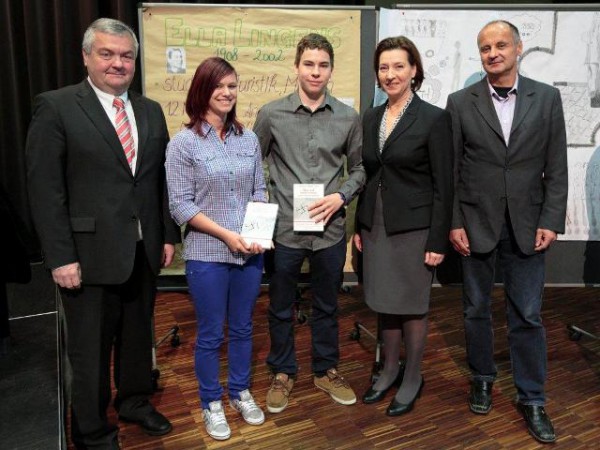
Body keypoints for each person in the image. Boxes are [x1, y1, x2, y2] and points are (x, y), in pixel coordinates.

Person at [26, 18, 180, 449]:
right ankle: (92, 431)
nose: (118, 63)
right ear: (86, 57)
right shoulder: (56, 107)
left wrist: (166, 234)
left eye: (126, 55)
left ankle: (134, 402)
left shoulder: (148, 110)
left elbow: (157, 182)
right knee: (89, 351)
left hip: (142, 249)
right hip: (86, 256)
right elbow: (44, 190)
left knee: (136, 337)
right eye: (107, 54)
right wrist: (59, 257)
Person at [446, 20, 567, 444]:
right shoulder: (460, 103)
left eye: (500, 45)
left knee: (528, 315)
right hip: (476, 224)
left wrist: (551, 219)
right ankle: (482, 376)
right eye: (484, 48)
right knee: (475, 309)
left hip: (528, 225)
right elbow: (453, 170)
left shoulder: (547, 98)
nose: (492, 53)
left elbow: (557, 166)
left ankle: (532, 397)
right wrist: (455, 221)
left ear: (518, 48)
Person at [254, 33, 366, 413]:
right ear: (296, 67)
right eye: (309, 64)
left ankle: (325, 369)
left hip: (330, 231)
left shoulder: (349, 117)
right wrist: (265, 205)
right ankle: (282, 372)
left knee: (327, 305)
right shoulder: (271, 114)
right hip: (284, 230)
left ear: (331, 70)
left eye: (322, 65)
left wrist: (342, 196)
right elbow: (253, 163)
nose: (315, 72)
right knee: (280, 305)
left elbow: (362, 168)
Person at [165, 57, 267, 441]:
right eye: (218, 86)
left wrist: (256, 232)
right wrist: (228, 235)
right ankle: (211, 401)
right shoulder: (184, 143)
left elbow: (259, 190)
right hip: (208, 253)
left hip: (249, 254)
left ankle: (239, 391)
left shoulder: (249, 138)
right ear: (201, 91)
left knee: (242, 327)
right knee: (211, 333)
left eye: (232, 86)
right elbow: (181, 205)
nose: (226, 93)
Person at [353, 36, 453, 416]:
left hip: (415, 228)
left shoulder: (434, 118)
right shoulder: (371, 116)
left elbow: (445, 184)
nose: (390, 74)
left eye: (398, 66)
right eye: (383, 68)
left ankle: (412, 376)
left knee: (411, 306)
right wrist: (361, 226)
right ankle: (389, 368)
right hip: (376, 223)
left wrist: (438, 238)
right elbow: (371, 172)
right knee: (384, 302)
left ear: (414, 71)